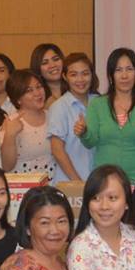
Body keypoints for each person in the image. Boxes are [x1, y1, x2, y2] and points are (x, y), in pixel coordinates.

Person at [81, 50, 135, 184]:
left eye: (129, 69)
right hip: (104, 181)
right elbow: (90, 142)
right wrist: (83, 132)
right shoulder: (97, 104)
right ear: (111, 76)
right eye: (118, 70)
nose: (124, 75)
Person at [45, 52, 97, 187]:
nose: (80, 79)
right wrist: (78, 183)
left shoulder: (100, 103)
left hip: (97, 183)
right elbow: (57, 150)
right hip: (70, 184)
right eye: (74, 75)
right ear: (65, 77)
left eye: (85, 73)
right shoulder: (59, 107)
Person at [0, 70, 57, 176]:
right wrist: (10, 135)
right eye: (29, 90)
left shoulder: (53, 116)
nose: (37, 93)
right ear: (18, 99)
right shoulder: (11, 122)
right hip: (22, 184)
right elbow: (6, 166)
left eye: (39, 87)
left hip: (53, 183)